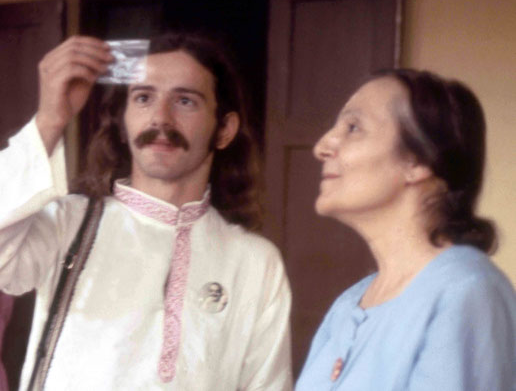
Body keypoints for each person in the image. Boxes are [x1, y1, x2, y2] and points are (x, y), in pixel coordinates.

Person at [0, 32, 292, 390]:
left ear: (224, 130)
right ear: (122, 124)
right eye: (143, 98)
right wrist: (49, 121)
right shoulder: (68, 224)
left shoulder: (256, 263)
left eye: (185, 101)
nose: (160, 118)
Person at [296, 69, 516, 390]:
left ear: (417, 160)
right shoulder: (348, 305)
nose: (322, 146)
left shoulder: (466, 293)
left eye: (353, 127)